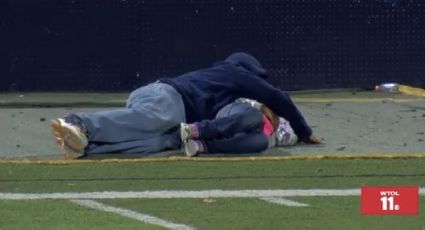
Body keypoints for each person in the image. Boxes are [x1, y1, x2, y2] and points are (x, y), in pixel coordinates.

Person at [51, 52, 322, 159]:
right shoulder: (236, 75)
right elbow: (278, 98)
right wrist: (304, 130)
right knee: (149, 121)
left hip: (173, 110)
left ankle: (87, 148)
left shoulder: (222, 83)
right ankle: (80, 123)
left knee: (156, 142)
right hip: (169, 97)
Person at [180, 99, 299, 156]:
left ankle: (201, 146)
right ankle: (197, 130)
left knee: (262, 142)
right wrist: (262, 106)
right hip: (236, 113)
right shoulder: (263, 102)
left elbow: (289, 138)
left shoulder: (286, 126)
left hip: (246, 136)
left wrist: (277, 127)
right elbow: (242, 100)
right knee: (255, 117)